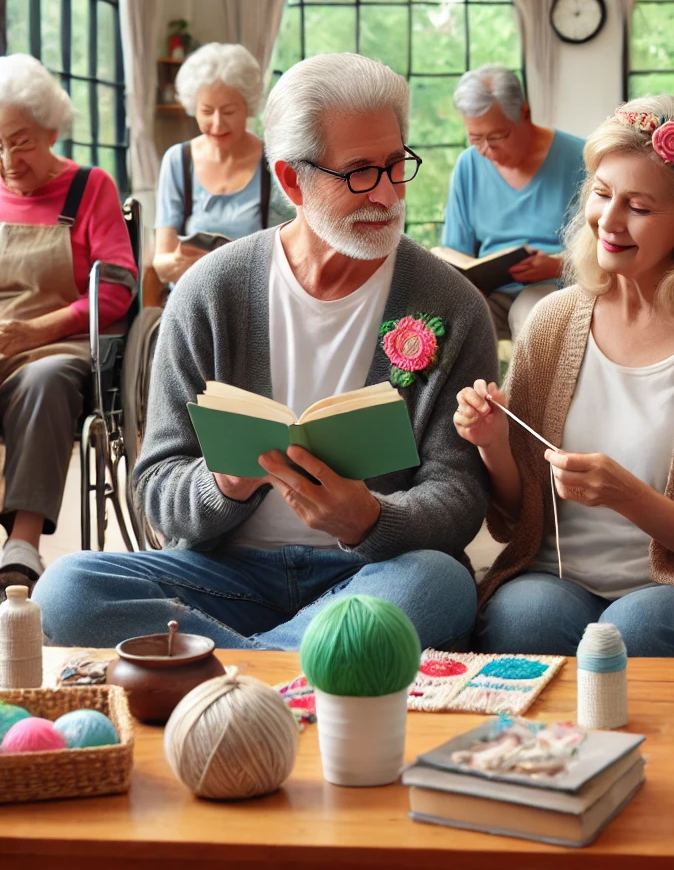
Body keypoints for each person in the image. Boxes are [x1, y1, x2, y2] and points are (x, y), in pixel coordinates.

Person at [33, 53, 498, 651]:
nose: (385, 193)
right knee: (67, 590)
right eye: (358, 172)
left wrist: (371, 520)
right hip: (225, 576)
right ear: (291, 180)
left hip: (372, 576)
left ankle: (229, 666)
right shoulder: (211, 291)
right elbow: (155, 485)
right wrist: (222, 484)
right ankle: (305, 662)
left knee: (440, 584)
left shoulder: (451, 303)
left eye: (393, 165)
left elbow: (460, 497)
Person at [455, 96, 674, 714]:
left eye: (638, 207)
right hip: (555, 574)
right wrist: (493, 446)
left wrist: (629, 496)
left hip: (669, 586)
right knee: (520, 617)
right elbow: (516, 512)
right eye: (601, 193)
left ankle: (656, 790)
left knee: (644, 631)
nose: (608, 221)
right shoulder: (554, 324)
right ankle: (541, 778)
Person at [0, 55, 136, 596]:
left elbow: (117, 289)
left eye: (21, 141)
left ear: (50, 129)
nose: (8, 159)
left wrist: (34, 331)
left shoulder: (88, 188)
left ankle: (22, 543)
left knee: (45, 379)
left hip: (60, 343)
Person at [442, 65, 585, 340]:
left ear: (525, 113)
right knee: (452, 323)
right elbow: (455, 252)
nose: (486, 150)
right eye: (475, 139)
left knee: (530, 311)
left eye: (497, 137)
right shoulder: (468, 165)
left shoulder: (579, 157)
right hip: (493, 290)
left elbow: (597, 247)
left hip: (557, 284)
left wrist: (557, 265)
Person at [153, 43, 294, 284]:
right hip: (192, 298)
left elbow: (291, 255)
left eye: (228, 112)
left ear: (248, 107)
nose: (217, 124)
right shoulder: (177, 160)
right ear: (193, 108)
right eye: (207, 111)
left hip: (255, 298)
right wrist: (178, 261)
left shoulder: (274, 161)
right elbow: (161, 264)